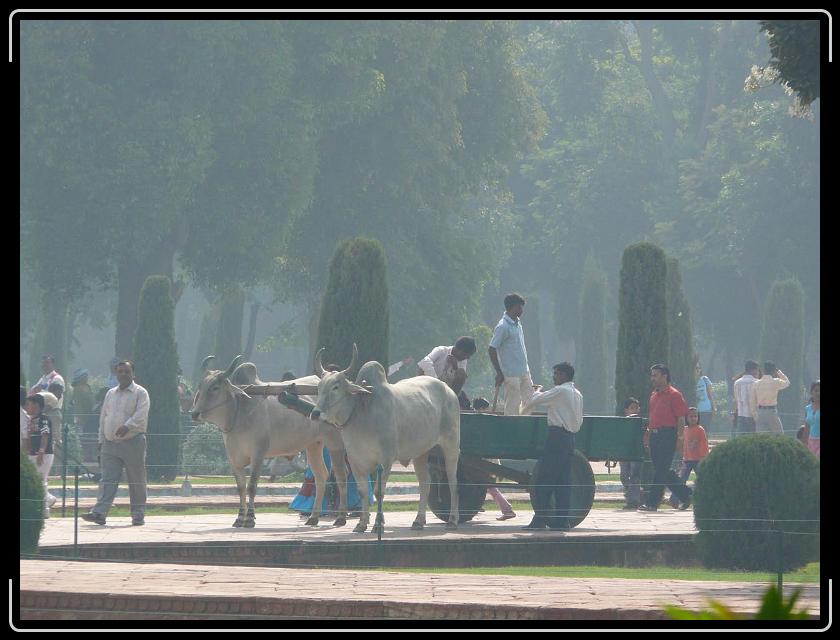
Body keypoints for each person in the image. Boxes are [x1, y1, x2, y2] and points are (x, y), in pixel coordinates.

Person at [82, 361, 150, 526]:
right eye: (120, 371)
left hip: (133, 441)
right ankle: (99, 512)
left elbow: (142, 415)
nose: (123, 374)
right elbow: (103, 417)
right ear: (116, 374)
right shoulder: (111, 394)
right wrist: (101, 439)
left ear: (133, 374)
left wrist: (128, 426)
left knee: (136, 479)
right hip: (110, 443)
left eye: (127, 371)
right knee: (107, 479)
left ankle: (138, 513)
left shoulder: (140, 393)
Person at [520, 362, 583, 530]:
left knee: (545, 479)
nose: (554, 377)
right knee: (563, 482)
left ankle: (540, 519)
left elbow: (533, 400)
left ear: (564, 375)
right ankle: (562, 521)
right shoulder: (577, 393)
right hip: (569, 439)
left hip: (556, 437)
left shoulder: (561, 391)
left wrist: (537, 390)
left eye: (556, 374)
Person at [638, 364, 692, 512]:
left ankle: (652, 503)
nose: (653, 378)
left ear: (665, 376)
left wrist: (680, 438)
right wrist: (648, 434)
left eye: (656, 375)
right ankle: (687, 495)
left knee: (660, 471)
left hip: (668, 435)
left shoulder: (674, 394)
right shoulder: (654, 395)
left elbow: (681, 418)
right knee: (662, 470)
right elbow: (653, 417)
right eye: (652, 375)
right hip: (655, 435)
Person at [489, 293, 534, 416]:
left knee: (529, 402)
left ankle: (523, 429)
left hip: (524, 371)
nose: (521, 310)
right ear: (511, 307)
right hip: (510, 373)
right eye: (519, 307)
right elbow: (492, 348)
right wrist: (499, 372)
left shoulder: (518, 323)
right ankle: (511, 431)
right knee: (512, 406)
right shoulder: (503, 326)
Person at [417, 337, 476, 410]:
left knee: (461, 373)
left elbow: (461, 377)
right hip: (430, 384)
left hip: (445, 391)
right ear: (461, 351)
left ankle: (450, 402)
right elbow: (425, 362)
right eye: (467, 355)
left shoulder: (463, 361)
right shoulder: (441, 350)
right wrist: (436, 381)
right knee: (423, 367)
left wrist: (455, 367)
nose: (468, 358)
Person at [24, 393, 57, 516]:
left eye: (29, 404)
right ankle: (49, 499)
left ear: (37, 405)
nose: (26, 407)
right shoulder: (30, 419)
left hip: (44, 454)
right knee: (36, 479)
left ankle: (44, 509)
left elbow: (45, 435)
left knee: (41, 479)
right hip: (33, 454)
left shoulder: (44, 419)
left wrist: (42, 451)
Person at [750, 362, 790, 434]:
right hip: (772, 411)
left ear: (763, 371)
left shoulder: (756, 383)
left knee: (761, 438)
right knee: (779, 436)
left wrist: (755, 415)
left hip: (760, 412)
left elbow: (752, 401)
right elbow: (787, 383)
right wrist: (779, 372)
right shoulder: (776, 382)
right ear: (774, 371)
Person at [618, 397, 643, 510]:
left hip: (636, 453)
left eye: (636, 408)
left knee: (634, 476)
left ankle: (633, 501)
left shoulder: (641, 424)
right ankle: (634, 493)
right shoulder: (623, 424)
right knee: (623, 476)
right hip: (624, 453)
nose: (635, 410)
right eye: (632, 408)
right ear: (626, 410)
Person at [676, 407, 709, 485]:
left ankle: (704, 495)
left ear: (698, 417)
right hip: (687, 459)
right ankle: (675, 497)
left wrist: (703, 459)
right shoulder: (684, 429)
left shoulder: (700, 429)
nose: (693, 418)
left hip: (698, 460)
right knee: (681, 480)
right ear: (686, 418)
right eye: (691, 416)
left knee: (702, 479)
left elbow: (704, 445)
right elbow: (681, 444)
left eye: (695, 416)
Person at [732, 360, 760, 437]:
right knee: (753, 439)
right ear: (753, 370)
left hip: (741, 415)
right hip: (754, 416)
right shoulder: (757, 382)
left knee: (741, 439)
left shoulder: (737, 383)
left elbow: (736, 399)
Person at [694, 363, 716, 432]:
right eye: (696, 368)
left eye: (699, 368)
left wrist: (714, 408)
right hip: (695, 412)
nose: (698, 370)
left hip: (707, 410)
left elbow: (711, 395)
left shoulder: (705, 379)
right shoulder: (690, 381)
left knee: (705, 432)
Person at [802, 380, 820, 458]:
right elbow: (807, 429)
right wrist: (803, 445)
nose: (818, 393)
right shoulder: (807, 409)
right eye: (816, 390)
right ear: (811, 392)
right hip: (811, 442)